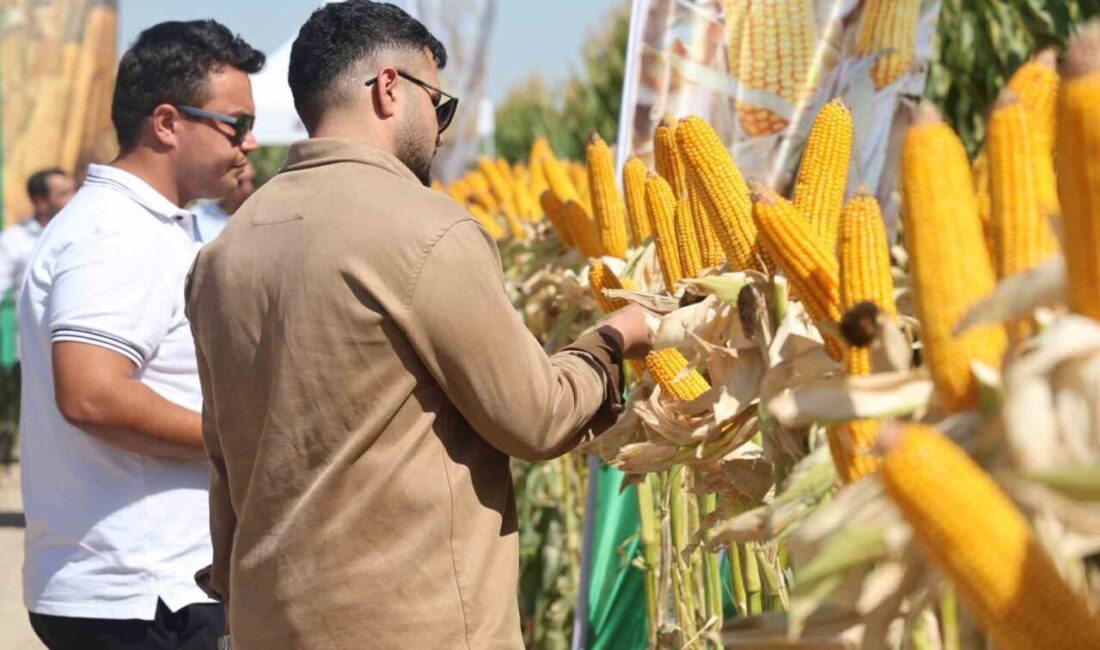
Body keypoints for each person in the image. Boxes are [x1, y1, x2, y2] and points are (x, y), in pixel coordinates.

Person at [184, 2, 652, 648]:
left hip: (270, 624)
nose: (441, 130)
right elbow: (536, 416)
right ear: (388, 89)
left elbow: (225, 468)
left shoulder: (222, 255)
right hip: (412, 626)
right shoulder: (427, 230)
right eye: (439, 103)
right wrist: (611, 341)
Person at [18, 20, 263, 650]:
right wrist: (240, 435)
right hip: (139, 596)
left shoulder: (150, 226)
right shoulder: (113, 235)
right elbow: (92, 394)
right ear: (166, 122)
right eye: (235, 123)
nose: (250, 142)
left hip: (151, 590)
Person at [0, 169, 75, 303]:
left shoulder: (84, 233)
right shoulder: (14, 239)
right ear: (40, 201)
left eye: (74, 191)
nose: (74, 199)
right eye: (64, 194)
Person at [191, 158, 256, 242]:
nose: (248, 188)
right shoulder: (198, 218)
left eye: (253, 181)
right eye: (240, 182)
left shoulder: (260, 217)